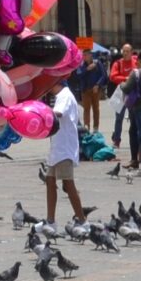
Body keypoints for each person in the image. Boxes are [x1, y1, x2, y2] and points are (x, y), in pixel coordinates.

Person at [43, 79, 90, 224]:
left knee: (68, 183)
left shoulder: (65, 95)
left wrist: (41, 111)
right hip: (57, 147)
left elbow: (58, 113)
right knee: (50, 181)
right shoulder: (61, 96)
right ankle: (50, 220)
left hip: (64, 148)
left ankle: (82, 221)